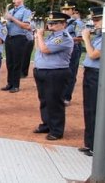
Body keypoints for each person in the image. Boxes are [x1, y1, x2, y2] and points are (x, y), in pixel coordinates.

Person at [32, 12, 73, 141]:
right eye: (50, 23)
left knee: (54, 101)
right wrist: (37, 37)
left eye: (55, 23)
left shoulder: (63, 37)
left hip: (55, 73)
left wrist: (39, 35)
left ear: (63, 24)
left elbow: (45, 50)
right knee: (44, 100)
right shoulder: (51, 36)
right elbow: (38, 48)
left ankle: (56, 130)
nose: (50, 25)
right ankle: (47, 124)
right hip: (43, 71)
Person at [80, 7, 104, 156]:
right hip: (90, 73)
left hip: (99, 74)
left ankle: (97, 146)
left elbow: (93, 54)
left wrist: (86, 39)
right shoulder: (100, 36)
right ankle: (89, 143)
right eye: (93, 20)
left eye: (97, 20)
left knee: (96, 110)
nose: (94, 23)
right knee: (89, 109)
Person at [3, 0, 32, 93]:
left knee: (17, 62)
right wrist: (4, 23)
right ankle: (9, 83)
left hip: (19, 38)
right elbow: (7, 23)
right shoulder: (10, 11)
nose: (14, 0)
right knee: (9, 62)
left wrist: (12, 18)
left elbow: (26, 25)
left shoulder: (26, 11)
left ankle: (16, 85)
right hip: (9, 37)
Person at [60, 1, 85, 106]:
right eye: (63, 9)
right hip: (61, 49)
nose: (65, 11)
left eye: (68, 9)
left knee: (70, 73)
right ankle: (60, 95)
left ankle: (66, 97)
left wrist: (67, 39)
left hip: (73, 49)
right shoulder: (60, 21)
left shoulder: (76, 23)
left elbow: (80, 38)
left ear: (73, 10)